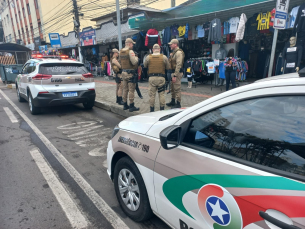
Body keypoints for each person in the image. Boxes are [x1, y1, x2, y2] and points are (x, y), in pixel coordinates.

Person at [144, 44, 170, 112]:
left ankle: (152, 110)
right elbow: (168, 67)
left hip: (152, 78)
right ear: (159, 49)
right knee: (161, 94)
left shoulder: (148, 57)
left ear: (152, 50)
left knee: (152, 95)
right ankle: (162, 110)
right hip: (161, 78)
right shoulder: (164, 57)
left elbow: (145, 65)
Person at [119, 38, 140, 112]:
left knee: (125, 89)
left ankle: (125, 105)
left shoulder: (121, 51)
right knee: (131, 90)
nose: (133, 45)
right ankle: (131, 105)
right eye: (132, 44)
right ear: (130, 44)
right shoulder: (130, 51)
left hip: (123, 73)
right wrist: (137, 58)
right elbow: (134, 62)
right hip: (131, 73)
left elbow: (119, 62)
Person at [166, 39, 185, 108]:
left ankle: (178, 103)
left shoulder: (178, 53)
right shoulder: (174, 52)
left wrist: (175, 75)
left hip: (176, 73)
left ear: (175, 44)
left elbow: (178, 65)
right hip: (173, 72)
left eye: (171, 44)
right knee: (172, 88)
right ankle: (173, 101)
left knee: (177, 88)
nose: (170, 45)